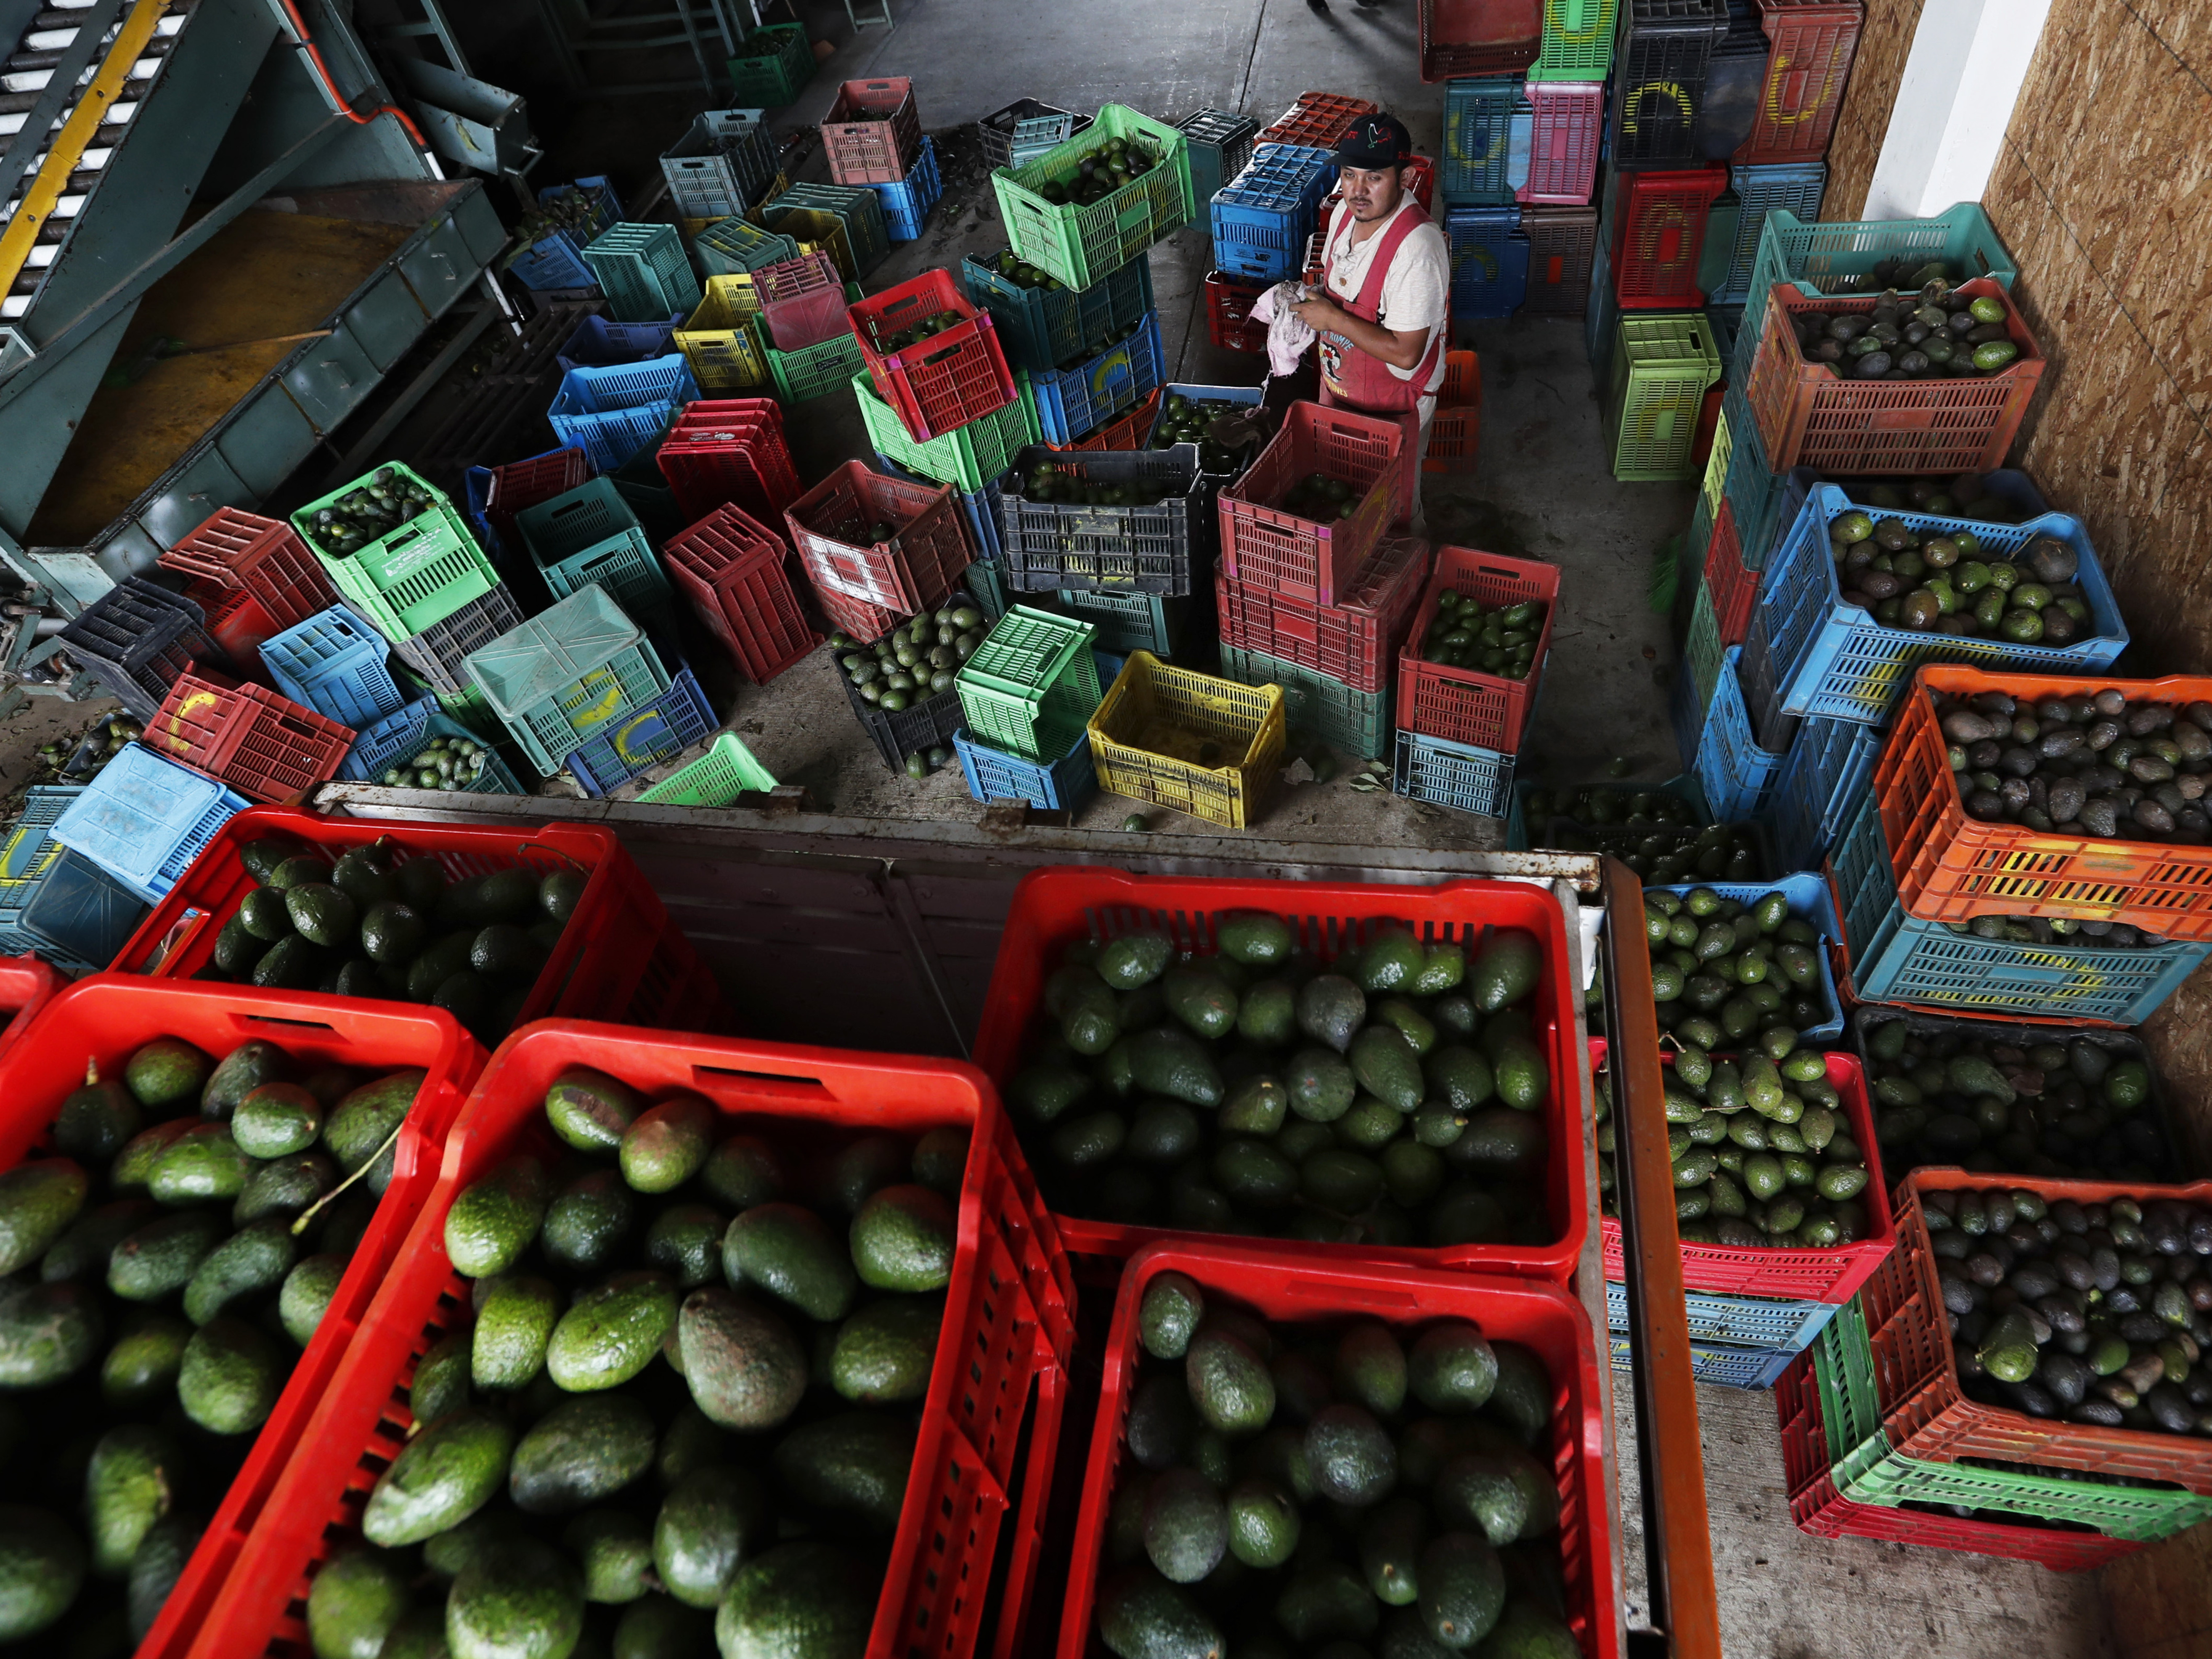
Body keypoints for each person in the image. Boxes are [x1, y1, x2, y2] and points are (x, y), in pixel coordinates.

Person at [1290, 112, 1451, 537]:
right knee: (1340, 496)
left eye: (1374, 178)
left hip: (1394, 406)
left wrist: (1332, 318)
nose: (1357, 191)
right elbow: (1338, 283)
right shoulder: (1346, 212)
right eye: (1348, 175)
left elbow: (1405, 351)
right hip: (1341, 388)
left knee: (1394, 511)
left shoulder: (1416, 251)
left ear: (1405, 178)